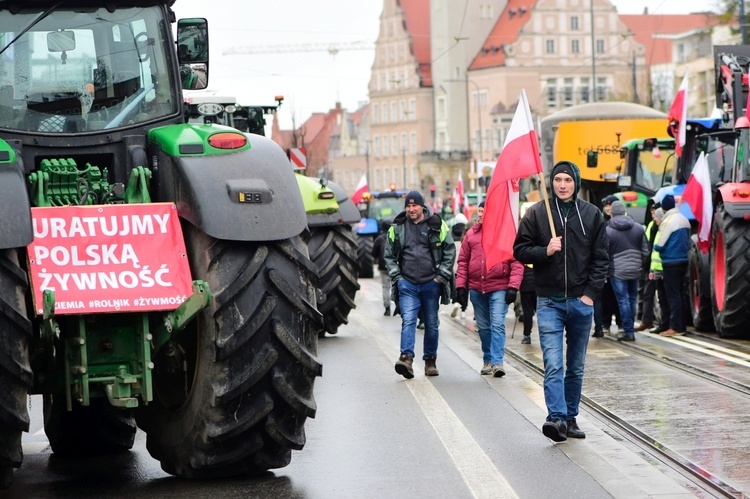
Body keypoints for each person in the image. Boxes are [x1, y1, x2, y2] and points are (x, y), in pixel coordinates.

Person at [513, 160, 609, 442]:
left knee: (576, 365)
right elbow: (520, 249)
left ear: (575, 183)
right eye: (558, 180)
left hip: (581, 302)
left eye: (567, 180)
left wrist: (590, 294)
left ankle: (570, 416)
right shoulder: (537, 213)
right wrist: (545, 250)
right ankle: (555, 417)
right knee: (554, 363)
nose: (562, 185)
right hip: (549, 302)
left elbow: (601, 259)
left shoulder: (591, 215)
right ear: (551, 183)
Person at [385, 190, 456, 378]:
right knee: (408, 320)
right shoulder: (397, 227)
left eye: (414, 205)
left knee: (431, 324)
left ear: (422, 206)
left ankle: (430, 361)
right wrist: (398, 278)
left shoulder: (437, 225)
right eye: (408, 206)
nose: (411, 209)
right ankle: (406, 358)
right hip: (407, 284)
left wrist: (440, 277)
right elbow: (389, 256)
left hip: (431, 283)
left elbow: (449, 250)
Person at [455, 201, 523, 377]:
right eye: (478, 211)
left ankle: (497, 362)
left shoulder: (505, 236)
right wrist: (461, 286)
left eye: (483, 211)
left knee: (498, 324)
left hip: (499, 286)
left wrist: (513, 287)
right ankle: (487, 358)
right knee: (484, 327)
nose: (480, 214)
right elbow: (463, 262)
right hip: (477, 288)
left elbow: (517, 262)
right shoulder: (471, 235)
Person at [606, 201, 649, 342]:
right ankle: (630, 328)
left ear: (611, 213)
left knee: (623, 301)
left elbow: (604, 253)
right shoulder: (638, 228)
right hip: (635, 269)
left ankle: (628, 331)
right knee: (632, 299)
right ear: (624, 212)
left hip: (617, 270)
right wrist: (639, 263)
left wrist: (606, 270)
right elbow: (645, 251)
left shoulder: (608, 230)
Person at [653, 194, 690, 336]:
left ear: (663, 208)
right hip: (683, 260)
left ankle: (674, 327)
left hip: (670, 262)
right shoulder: (684, 219)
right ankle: (682, 326)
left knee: (672, 295)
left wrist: (656, 246)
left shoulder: (668, 221)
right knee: (680, 294)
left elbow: (659, 244)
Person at [593, 195, 622, 337]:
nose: (608, 208)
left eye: (610, 205)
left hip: (616, 267)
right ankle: (605, 322)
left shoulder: (614, 224)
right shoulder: (602, 222)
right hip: (606, 267)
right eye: (606, 205)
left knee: (616, 297)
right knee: (605, 297)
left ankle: (618, 322)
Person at [646, 208, 670, 334]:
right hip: (657, 269)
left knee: (664, 298)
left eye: (655, 215)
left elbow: (657, 248)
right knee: (662, 298)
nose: (653, 218)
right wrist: (651, 268)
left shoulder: (663, 230)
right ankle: (663, 323)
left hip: (662, 270)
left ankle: (665, 324)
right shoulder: (659, 229)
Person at [372, 231, 391, 316]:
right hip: (396, 267)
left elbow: (373, 254)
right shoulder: (398, 237)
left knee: (385, 287)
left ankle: (387, 308)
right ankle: (400, 307)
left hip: (383, 267)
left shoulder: (379, 239)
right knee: (398, 287)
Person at [519, 263, 536, 344]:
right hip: (538, 286)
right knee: (542, 312)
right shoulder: (539, 252)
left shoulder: (522, 253)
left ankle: (527, 336)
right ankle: (546, 334)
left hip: (525, 286)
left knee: (527, 312)